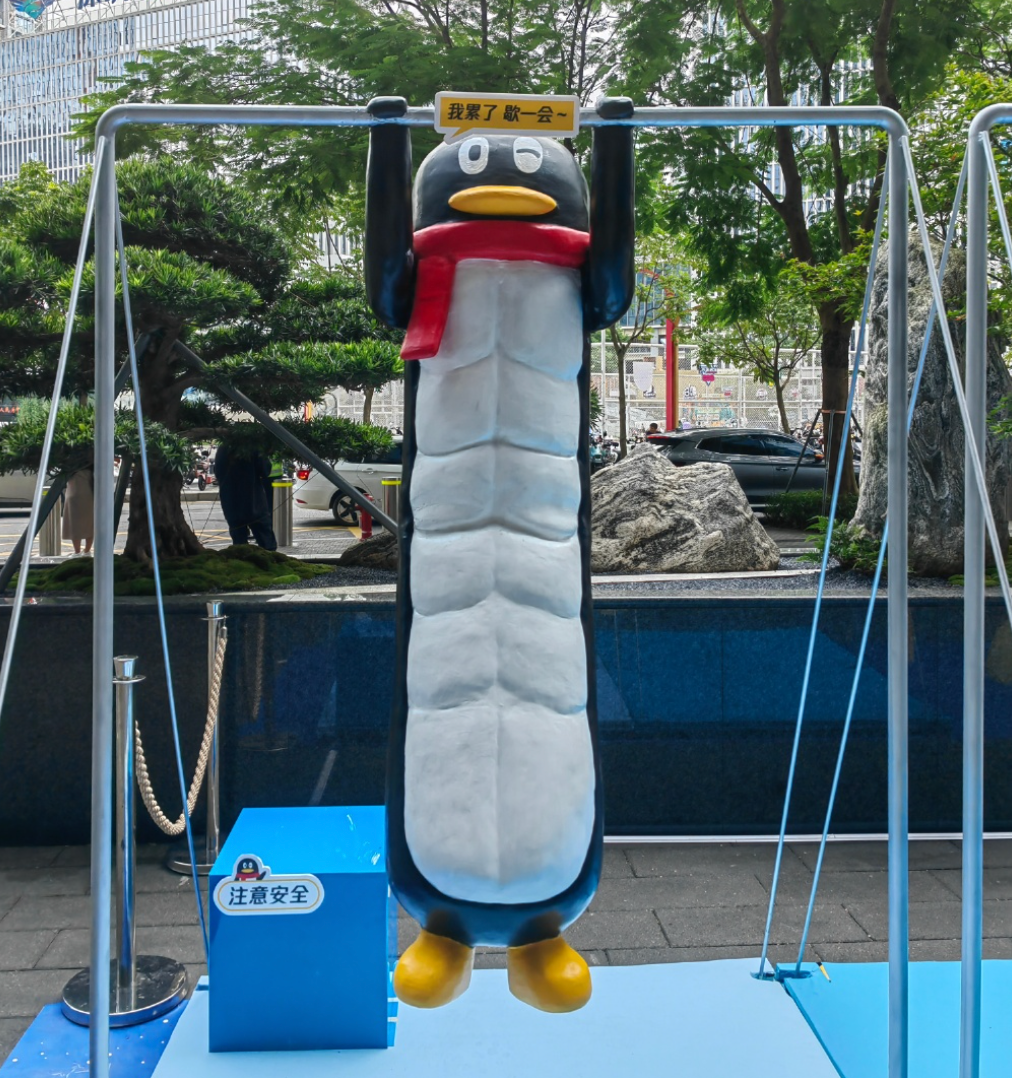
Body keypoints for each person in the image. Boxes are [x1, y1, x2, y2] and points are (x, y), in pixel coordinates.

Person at [213, 443, 278, 550]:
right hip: (253, 499)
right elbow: (265, 470)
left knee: (239, 542)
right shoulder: (252, 446)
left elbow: (217, 471)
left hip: (231, 500)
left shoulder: (223, 448)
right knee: (265, 539)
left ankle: (241, 558)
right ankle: (270, 558)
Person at [63, 468, 94, 555]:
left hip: (74, 492)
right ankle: (87, 551)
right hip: (90, 491)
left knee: (74, 524)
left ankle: (77, 552)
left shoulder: (71, 466)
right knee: (90, 523)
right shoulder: (92, 466)